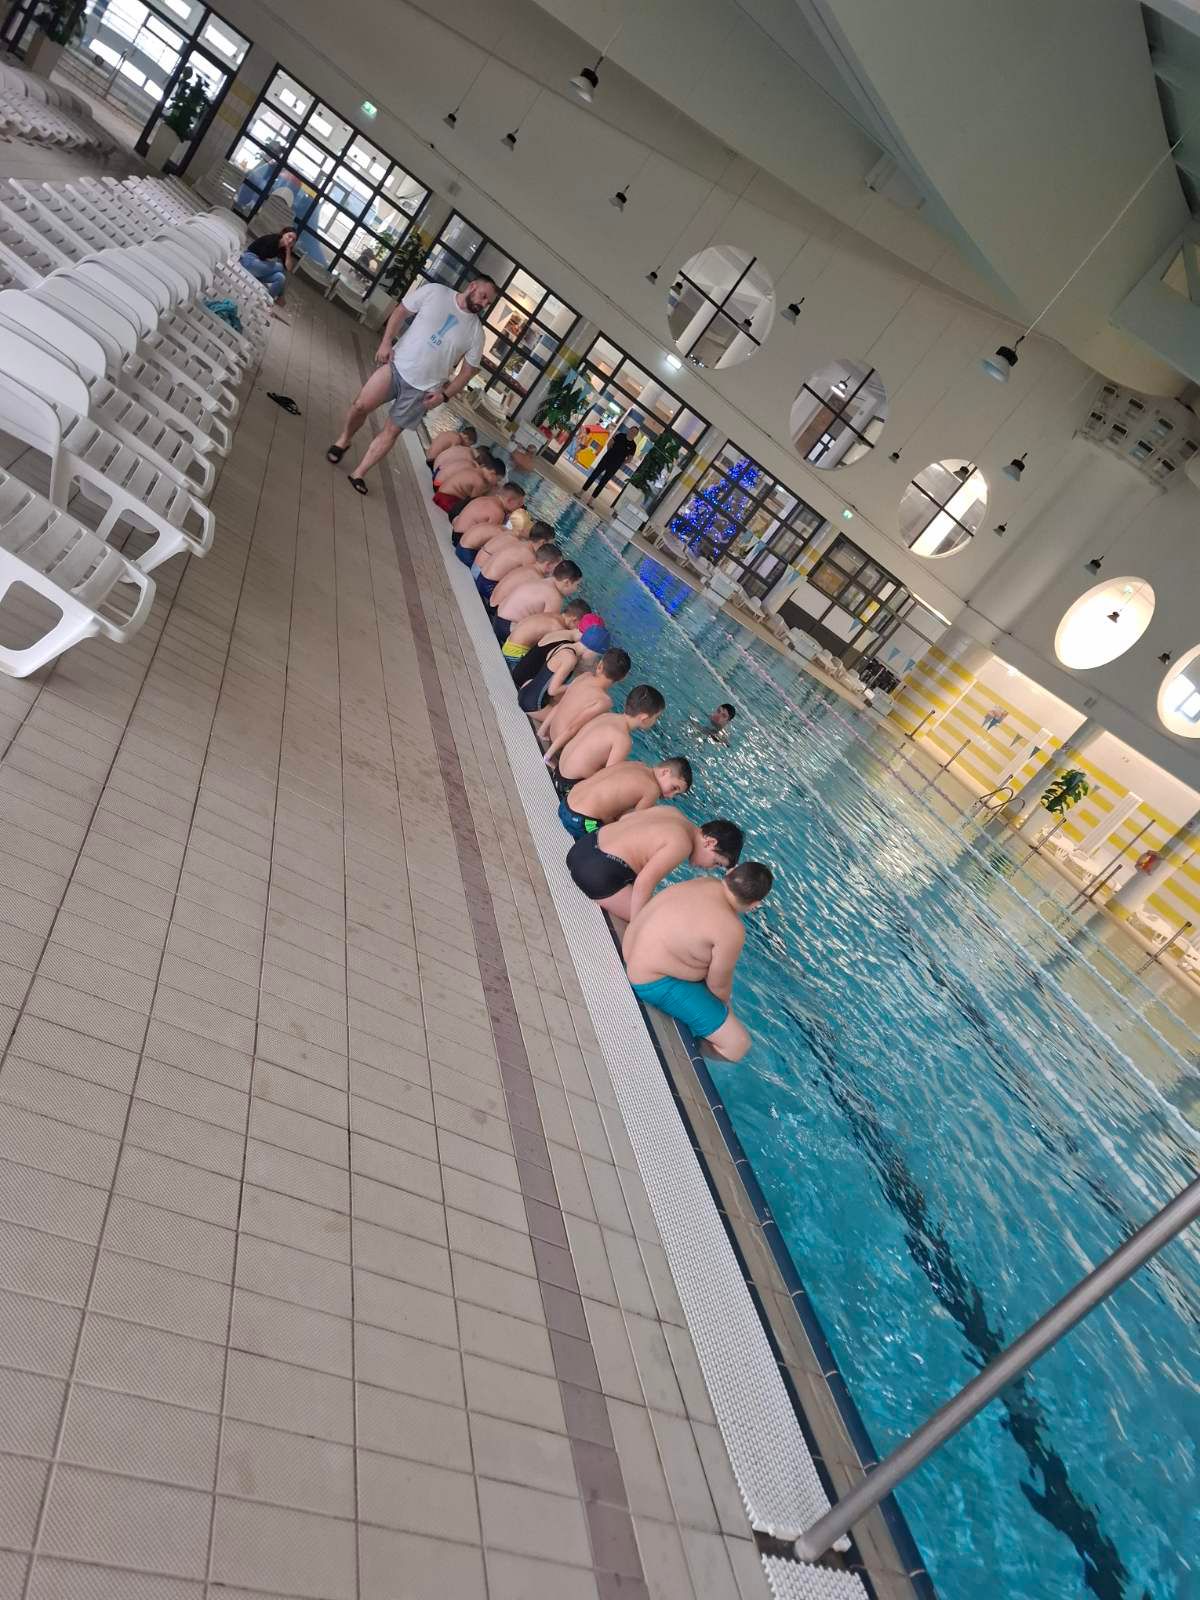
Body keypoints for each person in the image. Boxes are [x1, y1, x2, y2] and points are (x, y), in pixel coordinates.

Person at [326, 275, 499, 494]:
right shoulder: (436, 292)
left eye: (488, 302)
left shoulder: (476, 333)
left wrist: (444, 396)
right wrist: (386, 342)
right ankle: (344, 440)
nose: (484, 304)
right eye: (483, 296)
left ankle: (359, 473)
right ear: (472, 286)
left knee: (391, 431)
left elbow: (467, 372)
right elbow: (401, 311)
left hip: (424, 390)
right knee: (360, 405)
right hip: (397, 366)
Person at [622, 863, 773, 1061]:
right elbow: (718, 986)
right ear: (754, 904)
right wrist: (722, 1008)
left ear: (729, 873)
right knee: (738, 1045)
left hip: (630, 949)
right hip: (650, 981)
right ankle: (693, 1052)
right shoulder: (732, 929)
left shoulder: (705, 882)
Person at [569, 810, 743, 925]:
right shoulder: (682, 844)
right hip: (595, 871)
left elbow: (626, 819)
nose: (710, 868)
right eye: (716, 862)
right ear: (710, 842)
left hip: (582, 847)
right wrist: (637, 928)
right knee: (659, 919)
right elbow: (644, 883)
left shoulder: (673, 813)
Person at [550, 685, 665, 786]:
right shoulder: (623, 740)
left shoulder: (607, 716)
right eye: (657, 717)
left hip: (558, 771)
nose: (656, 721)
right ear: (644, 718)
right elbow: (607, 779)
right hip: (567, 786)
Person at [558, 756, 693, 839]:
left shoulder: (637, 764)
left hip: (565, 804)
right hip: (581, 822)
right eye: (674, 788)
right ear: (665, 772)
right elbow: (629, 826)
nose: (670, 796)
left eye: (676, 794)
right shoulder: (652, 790)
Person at [533, 649, 633, 752]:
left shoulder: (585, 676)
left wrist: (541, 731)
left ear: (600, 665)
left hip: (552, 730)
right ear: (623, 678)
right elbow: (572, 728)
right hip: (561, 743)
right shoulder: (605, 701)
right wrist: (548, 755)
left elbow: (560, 705)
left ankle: (542, 732)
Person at [516, 619, 613, 713]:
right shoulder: (570, 659)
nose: (595, 660)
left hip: (526, 690)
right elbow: (552, 691)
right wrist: (574, 684)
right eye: (597, 656)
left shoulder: (565, 646)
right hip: (532, 705)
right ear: (591, 650)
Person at [492, 561, 583, 643]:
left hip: (497, 616)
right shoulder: (555, 597)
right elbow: (548, 630)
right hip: (506, 628)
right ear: (567, 582)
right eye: (577, 585)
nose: (577, 590)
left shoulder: (543, 581)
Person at [471, 519, 555, 595]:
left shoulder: (521, 544)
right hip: (487, 586)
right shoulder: (529, 556)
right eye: (550, 545)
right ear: (543, 542)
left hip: (481, 577)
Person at [501, 598, 590, 669]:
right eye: (580, 625)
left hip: (508, 645)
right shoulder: (557, 628)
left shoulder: (553, 615)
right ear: (574, 619)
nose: (579, 629)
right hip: (514, 656)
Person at [477, 540, 562, 604]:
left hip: (484, 585)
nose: (559, 570)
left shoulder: (529, 566)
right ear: (548, 565)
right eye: (558, 566)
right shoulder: (536, 577)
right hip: (491, 597)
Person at [452, 483, 526, 551]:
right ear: (510, 500)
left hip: (456, 533)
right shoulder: (498, 512)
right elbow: (492, 539)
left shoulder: (486, 499)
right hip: (462, 542)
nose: (519, 507)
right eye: (519, 504)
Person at [434, 454, 505, 518]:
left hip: (440, 493)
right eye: (498, 480)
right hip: (446, 500)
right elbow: (473, 502)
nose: (496, 483)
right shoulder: (480, 481)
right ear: (492, 473)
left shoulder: (475, 470)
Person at [240, 227, 297, 305]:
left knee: (281, 277)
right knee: (280, 267)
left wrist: (288, 250)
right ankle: (280, 296)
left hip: (258, 268)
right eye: (289, 236)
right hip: (249, 261)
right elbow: (262, 256)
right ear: (283, 234)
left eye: (293, 240)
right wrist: (270, 263)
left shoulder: (283, 249)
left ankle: (266, 301)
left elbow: (289, 268)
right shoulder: (273, 239)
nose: (290, 240)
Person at [581, 427, 636, 500]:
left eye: (635, 432)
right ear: (629, 430)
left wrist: (620, 462)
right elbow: (610, 443)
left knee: (603, 482)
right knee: (594, 475)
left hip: (615, 465)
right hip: (607, 458)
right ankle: (581, 492)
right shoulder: (620, 435)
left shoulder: (633, 446)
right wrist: (609, 452)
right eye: (632, 431)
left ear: (636, 435)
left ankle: (591, 499)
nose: (632, 433)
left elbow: (629, 459)